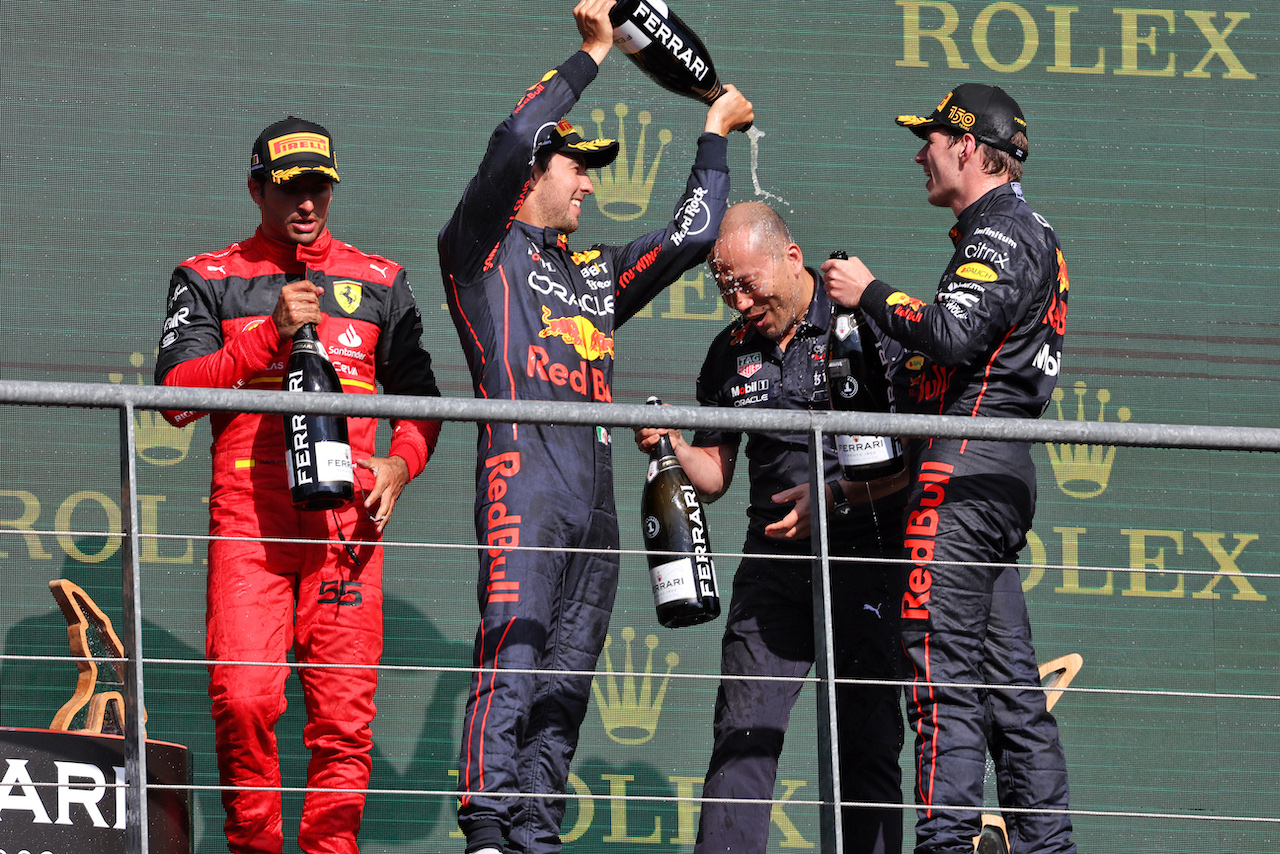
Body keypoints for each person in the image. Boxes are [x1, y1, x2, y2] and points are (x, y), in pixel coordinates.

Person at [437, 1, 753, 851]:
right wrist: (593, 54)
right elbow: (512, 140)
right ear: (537, 174)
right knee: (513, 657)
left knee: (566, 682)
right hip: (523, 485)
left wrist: (715, 132)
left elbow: (691, 236)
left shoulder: (595, 272)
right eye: (577, 166)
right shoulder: (479, 250)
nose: (589, 182)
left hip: (596, 505)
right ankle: (489, 829)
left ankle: (535, 831)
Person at [155, 116, 443, 854]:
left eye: (318, 186)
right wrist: (265, 335)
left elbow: (424, 398)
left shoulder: (380, 280)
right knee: (245, 699)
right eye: (289, 188)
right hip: (251, 522)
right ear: (257, 189)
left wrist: (401, 463)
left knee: (344, 723)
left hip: (348, 526)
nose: (306, 203)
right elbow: (177, 396)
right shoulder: (209, 275)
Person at [821, 85, 1076, 854]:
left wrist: (866, 293)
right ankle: (1048, 846)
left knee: (939, 680)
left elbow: (953, 334)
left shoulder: (999, 231)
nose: (919, 153)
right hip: (995, 466)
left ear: (968, 147)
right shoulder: (1028, 229)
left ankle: (943, 846)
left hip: (963, 471)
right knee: (1012, 693)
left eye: (929, 140)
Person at [635, 202, 909, 854]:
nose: (738, 299)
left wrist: (838, 496)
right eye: (723, 285)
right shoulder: (729, 351)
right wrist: (671, 443)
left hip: (864, 554)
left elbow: (919, 456)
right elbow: (715, 472)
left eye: (747, 281)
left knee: (867, 747)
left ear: (791, 258)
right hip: (773, 565)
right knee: (742, 739)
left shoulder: (864, 323)